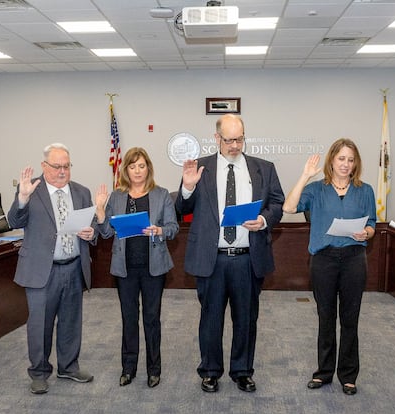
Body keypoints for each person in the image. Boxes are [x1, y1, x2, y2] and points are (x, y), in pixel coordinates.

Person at [176, 114, 284, 393]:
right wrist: (187, 187)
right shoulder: (200, 168)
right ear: (216, 138)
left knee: (246, 319)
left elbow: (276, 203)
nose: (235, 145)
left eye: (239, 139)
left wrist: (263, 221)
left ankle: (242, 371)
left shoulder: (263, 168)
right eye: (229, 140)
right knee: (210, 318)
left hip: (248, 258)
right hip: (212, 259)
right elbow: (182, 209)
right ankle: (210, 371)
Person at [282, 140, 376, 396]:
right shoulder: (316, 189)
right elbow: (289, 207)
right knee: (326, 318)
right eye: (341, 159)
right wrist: (304, 176)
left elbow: (373, 223)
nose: (346, 164)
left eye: (351, 160)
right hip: (323, 260)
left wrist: (366, 233)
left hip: (355, 259)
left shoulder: (365, 190)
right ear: (332, 160)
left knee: (350, 319)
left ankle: (348, 375)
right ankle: (323, 372)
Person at [7, 143, 97, 395]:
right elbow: (14, 221)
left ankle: (68, 366)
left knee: (71, 321)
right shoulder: (30, 189)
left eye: (66, 166)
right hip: (41, 269)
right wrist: (22, 198)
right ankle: (38, 371)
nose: (62, 171)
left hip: (73, 266)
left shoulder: (81, 192)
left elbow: (92, 228)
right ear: (44, 166)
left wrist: (91, 233)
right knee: (40, 324)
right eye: (56, 166)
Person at [95, 147, 179, 388]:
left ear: (148, 168)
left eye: (142, 166)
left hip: (153, 267)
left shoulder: (161, 195)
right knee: (128, 318)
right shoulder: (117, 196)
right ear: (126, 170)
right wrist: (101, 211)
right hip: (126, 268)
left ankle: (154, 369)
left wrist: (160, 230)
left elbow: (173, 228)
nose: (138, 171)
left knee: (152, 319)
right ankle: (128, 368)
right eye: (133, 167)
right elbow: (106, 232)